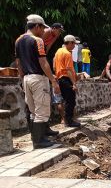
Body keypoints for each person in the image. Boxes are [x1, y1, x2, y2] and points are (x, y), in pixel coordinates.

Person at [15, 14, 61, 149]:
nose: (43, 31)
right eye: (42, 28)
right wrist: (53, 80)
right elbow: (43, 62)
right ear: (36, 26)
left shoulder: (18, 40)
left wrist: (22, 78)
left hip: (26, 79)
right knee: (42, 110)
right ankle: (39, 141)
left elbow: (18, 63)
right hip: (38, 78)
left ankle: (36, 138)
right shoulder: (38, 41)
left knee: (33, 110)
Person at [53, 35, 80, 127]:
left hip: (59, 78)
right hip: (66, 78)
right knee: (70, 101)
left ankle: (66, 120)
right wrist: (74, 83)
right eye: (74, 44)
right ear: (70, 43)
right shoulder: (67, 53)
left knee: (64, 101)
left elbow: (54, 66)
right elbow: (68, 70)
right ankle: (69, 121)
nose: (74, 46)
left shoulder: (58, 51)